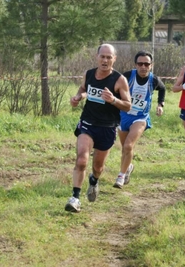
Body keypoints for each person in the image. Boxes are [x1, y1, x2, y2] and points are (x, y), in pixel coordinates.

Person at [65, 44, 131, 212]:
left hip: (107, 127)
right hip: (87, 123)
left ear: (114, 59)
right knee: (81, 160)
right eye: (102, 56)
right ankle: (75, 198)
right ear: (97, 57)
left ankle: (94, 181)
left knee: (98, 167)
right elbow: (83, 88)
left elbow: (128, 106)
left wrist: (113, 101)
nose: (105, 60)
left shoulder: (119, 79)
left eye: (109, 57)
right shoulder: (88, 74)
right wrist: (78, 96)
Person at [113, 51, 166, 189]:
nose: (143, 67)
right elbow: (115, 88)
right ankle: (128, 166)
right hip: (123, 115)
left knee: (129, 145)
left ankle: (121, 176)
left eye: (146, 64)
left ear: (151, 65)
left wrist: (160, 104)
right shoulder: (127, 76)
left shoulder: (153, 80)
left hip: (141, 117)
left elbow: (163, 88)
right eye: (140, 64)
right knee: (125, 149)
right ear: (135, 64)